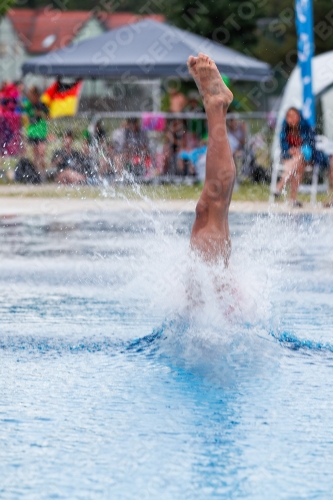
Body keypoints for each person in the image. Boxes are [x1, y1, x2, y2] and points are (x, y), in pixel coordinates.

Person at [187, 53, 235, 264]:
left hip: (210, 294)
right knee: (212, 212)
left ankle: (216, 106)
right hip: (218, 295)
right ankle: (215, 106)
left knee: (207, 211)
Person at [275, 107, 329, 207]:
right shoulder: (284, 130)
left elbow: (311, 144)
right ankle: (293, 199)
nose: (291, 119)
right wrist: (290, 151)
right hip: (293, 160)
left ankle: (280, 185)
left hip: (308, 158)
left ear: (299, 117)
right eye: (289, 116)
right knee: (298, 167)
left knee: (300, 157)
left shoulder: (305, 127)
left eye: (293, 116)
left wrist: (299, 150)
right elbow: (284, 147)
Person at [23, 86, 49, 178]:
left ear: (36, 95)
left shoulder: (42, 105)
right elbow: (23, 112)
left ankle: (43, 174)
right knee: (35, 155)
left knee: (41, 153)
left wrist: (41, 114)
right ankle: (36, 175)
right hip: (32, 132)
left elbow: (48, 117)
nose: (30, 98)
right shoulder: (28, 105)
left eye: (31, 96)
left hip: (41, 133)